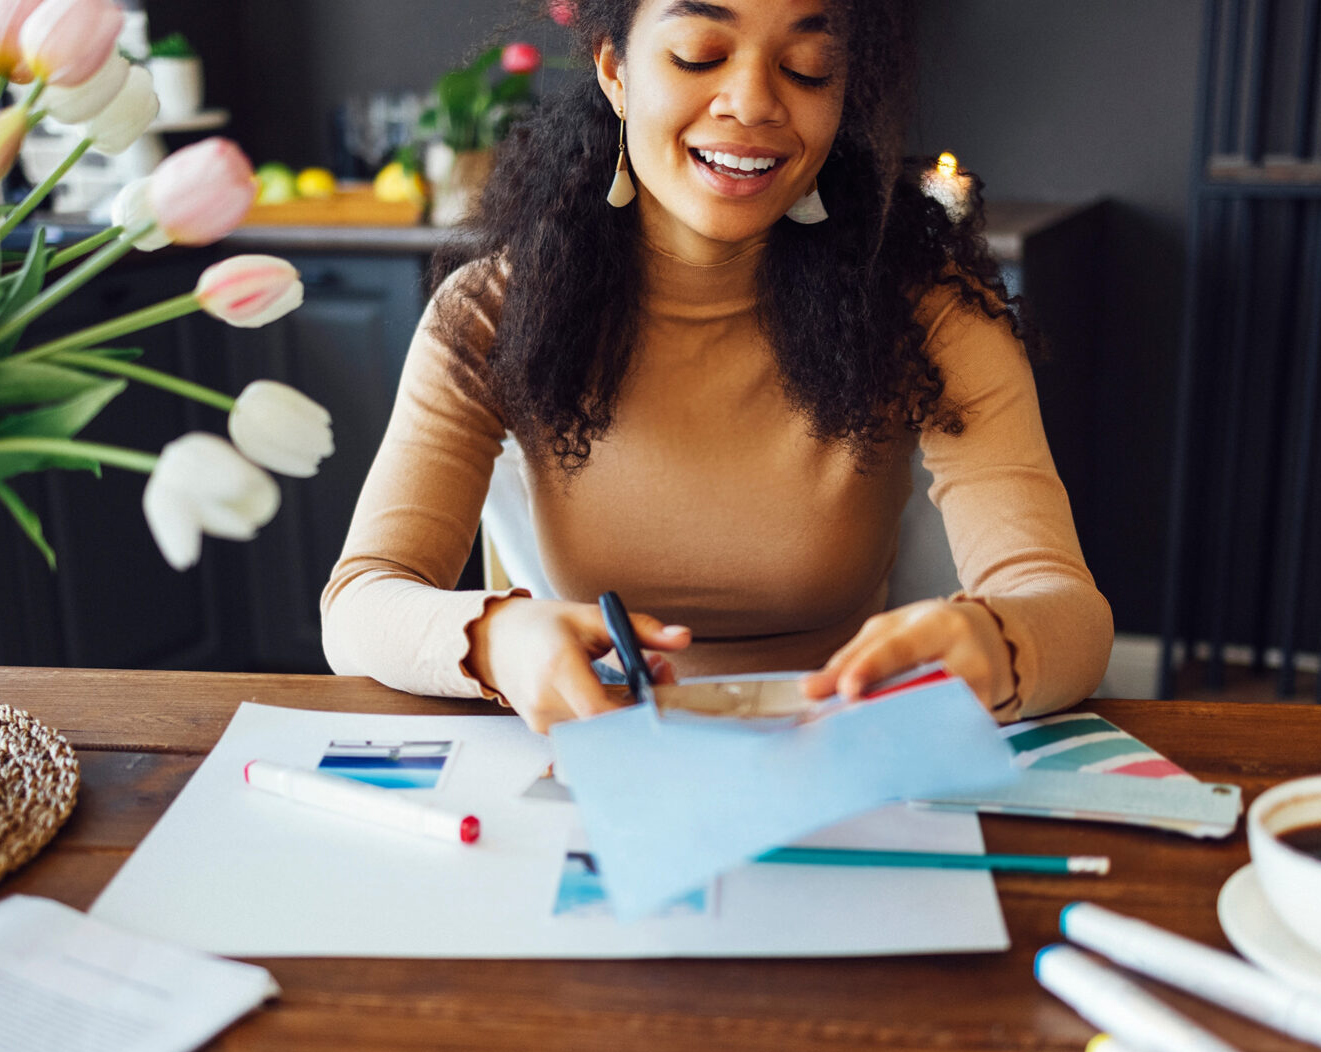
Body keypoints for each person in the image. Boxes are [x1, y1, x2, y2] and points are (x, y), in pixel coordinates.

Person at [323, 0, 1112, 732]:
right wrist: (497, 640)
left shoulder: (932, 314)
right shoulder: (491, 313)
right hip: (601, 757)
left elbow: (1067, 611)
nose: (754, 102)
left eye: (807, 67)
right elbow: (360, 603)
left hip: (850, 759)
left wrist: (999, 641)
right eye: (700, 55)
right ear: (614, 70)